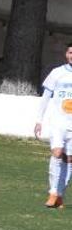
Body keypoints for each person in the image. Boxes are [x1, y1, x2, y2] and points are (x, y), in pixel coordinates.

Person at [34, 43, 72, 208]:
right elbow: (45, 98)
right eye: (71, 52)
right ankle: (53, 192)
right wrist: (38, 120)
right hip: (58, 122)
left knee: (69, 159)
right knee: (57, 154)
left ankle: (60, 195)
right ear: (66, 54)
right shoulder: (57, 73)